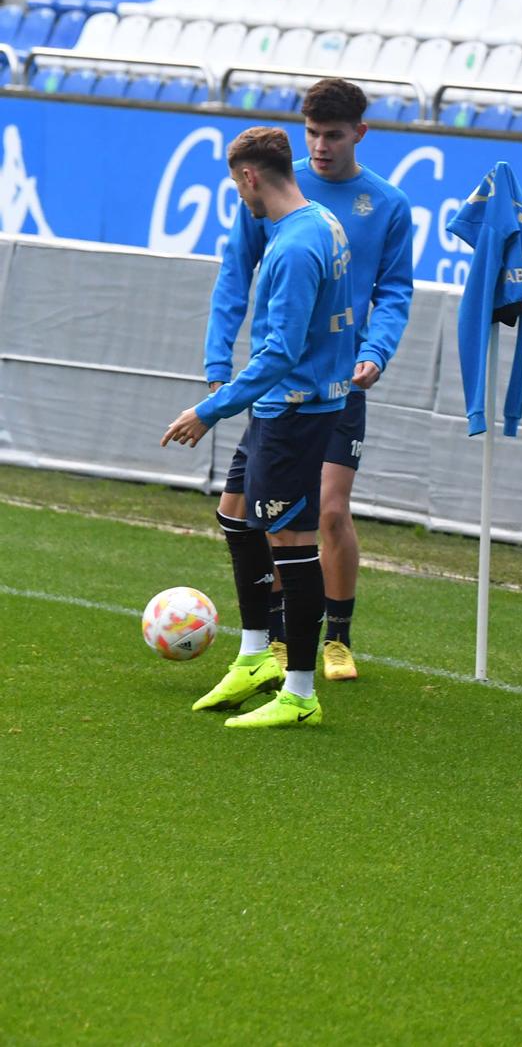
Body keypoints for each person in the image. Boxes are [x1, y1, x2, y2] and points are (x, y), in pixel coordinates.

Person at [205, 78, 413, 682]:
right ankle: (274, 644)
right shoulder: (273, 184)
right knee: (257, 513)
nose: (320, 146)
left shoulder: (387, 206)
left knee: (327, 511)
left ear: (359, 134)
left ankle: (334, 642)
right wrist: (220, 367)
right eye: (313, 134)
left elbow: (394, 292)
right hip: (276, 386)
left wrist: (375, 351)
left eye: (333, 135)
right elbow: (233, 276)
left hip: (340, 383)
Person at [163, 127, 356, 729]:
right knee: (234, 513)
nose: (239, 197)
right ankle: (254, 657)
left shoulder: (297, 248)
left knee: (293, 550)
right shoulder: (318, 220)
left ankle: (299, 693)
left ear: (249, 176)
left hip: (294, 411)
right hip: (280, 406)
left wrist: (209, 409)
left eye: (235, 185)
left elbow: (280, 351)